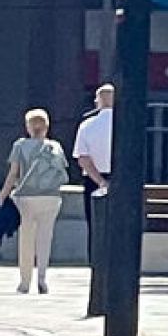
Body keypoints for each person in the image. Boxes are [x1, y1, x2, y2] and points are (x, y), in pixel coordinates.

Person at [0, 108, 69, 295]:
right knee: (45, 238)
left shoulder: (20, 146)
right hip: (51, 197)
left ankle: (24, 281)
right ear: (47, 127)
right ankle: (42, 279)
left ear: (28, 126)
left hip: (26, 197)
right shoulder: (55, 147)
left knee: (26, 240)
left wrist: (4, 193)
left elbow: (14, 173)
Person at [73, 84, 114, 251]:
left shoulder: (87, 125)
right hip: (120, 178)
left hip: (93, 180)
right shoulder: (128, 123)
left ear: (98, 101)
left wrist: (100, 181)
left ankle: (95, 260)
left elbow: (83, 158)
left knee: (94, 224)